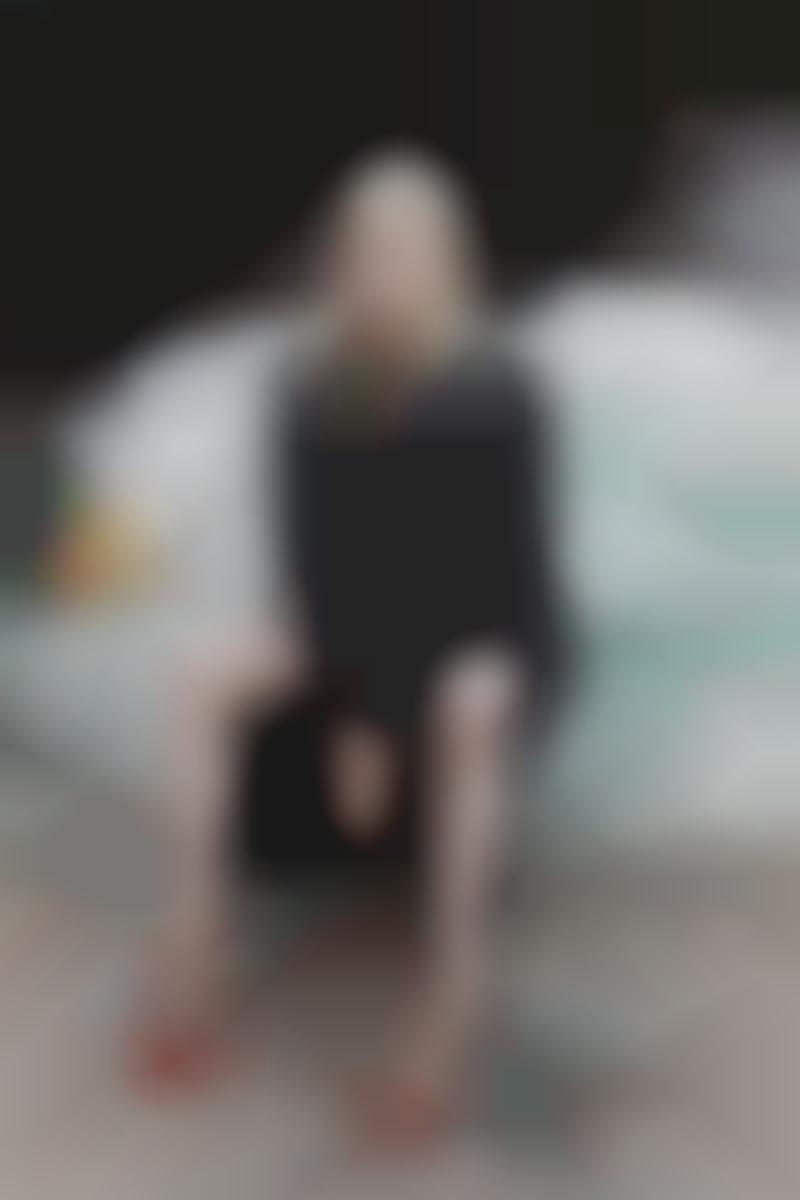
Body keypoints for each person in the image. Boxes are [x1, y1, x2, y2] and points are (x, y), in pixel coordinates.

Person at [136, 149, 568, 1145]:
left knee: (469, 697)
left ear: (447, 262)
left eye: (406, 252)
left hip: (486, 634)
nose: (384, 272)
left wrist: (379, 714)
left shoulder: (499, 391)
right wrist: (352, 710)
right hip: (351, 622)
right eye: (367, 251)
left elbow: (499, 585)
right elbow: (309, 562)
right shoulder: (306, 386)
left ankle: (449, 1006)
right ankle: (192, 954)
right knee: (198, 669)